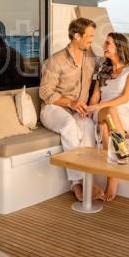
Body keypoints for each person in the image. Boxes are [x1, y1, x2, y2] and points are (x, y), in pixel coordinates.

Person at [39, 17, 102, 202]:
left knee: (89, 126)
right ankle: (79, 182)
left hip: (77, 110)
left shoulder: (91, 59)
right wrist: (71, 103)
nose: (92, 40)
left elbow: (112, 67)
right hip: (53, 108)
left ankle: (86, 178)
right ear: (76, 36)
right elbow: (45, 92)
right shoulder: (55, 60)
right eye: (89, 36)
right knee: (68, 125)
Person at [86, 32, 129, 201]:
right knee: (109, 112)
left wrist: (100, 106)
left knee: (106, 127)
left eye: (108, 43)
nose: (104, 46)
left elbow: (125, 97)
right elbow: (96, 95)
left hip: (122, 111)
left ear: (119, 47)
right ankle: (122, 152)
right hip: (102, 111)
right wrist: (92, 108)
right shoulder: (102, 68)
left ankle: (112, 178)